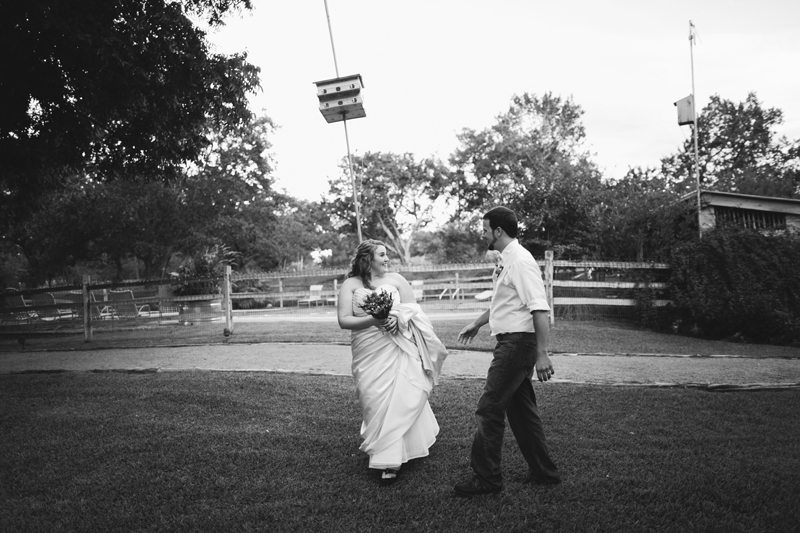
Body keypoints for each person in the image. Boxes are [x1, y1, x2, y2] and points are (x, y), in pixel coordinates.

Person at [454, 206, 560, 497]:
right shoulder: (507, 259)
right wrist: (476, 323)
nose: (482, 233)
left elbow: (539, 308)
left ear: (498, 231)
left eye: (485, 228)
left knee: (489, 409)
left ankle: (486, 480)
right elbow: (503, 303)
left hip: (517, 345)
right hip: (513, 342)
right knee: (521, 412)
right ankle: (544, 472)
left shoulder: (521, 262)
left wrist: (542, 354)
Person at [337, 239, 448, 484]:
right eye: (382, 255)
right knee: (373, 397)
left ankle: (390, 460)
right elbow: (344, 320)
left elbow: (415, 313)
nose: (387, 259)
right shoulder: (351, 284)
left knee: (401, 396)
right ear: (368, 259)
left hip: (398, 347)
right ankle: (386, 444)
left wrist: (397, 319)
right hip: (368, 351)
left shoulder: (397, 280)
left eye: (387, 255)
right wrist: (373, 320)